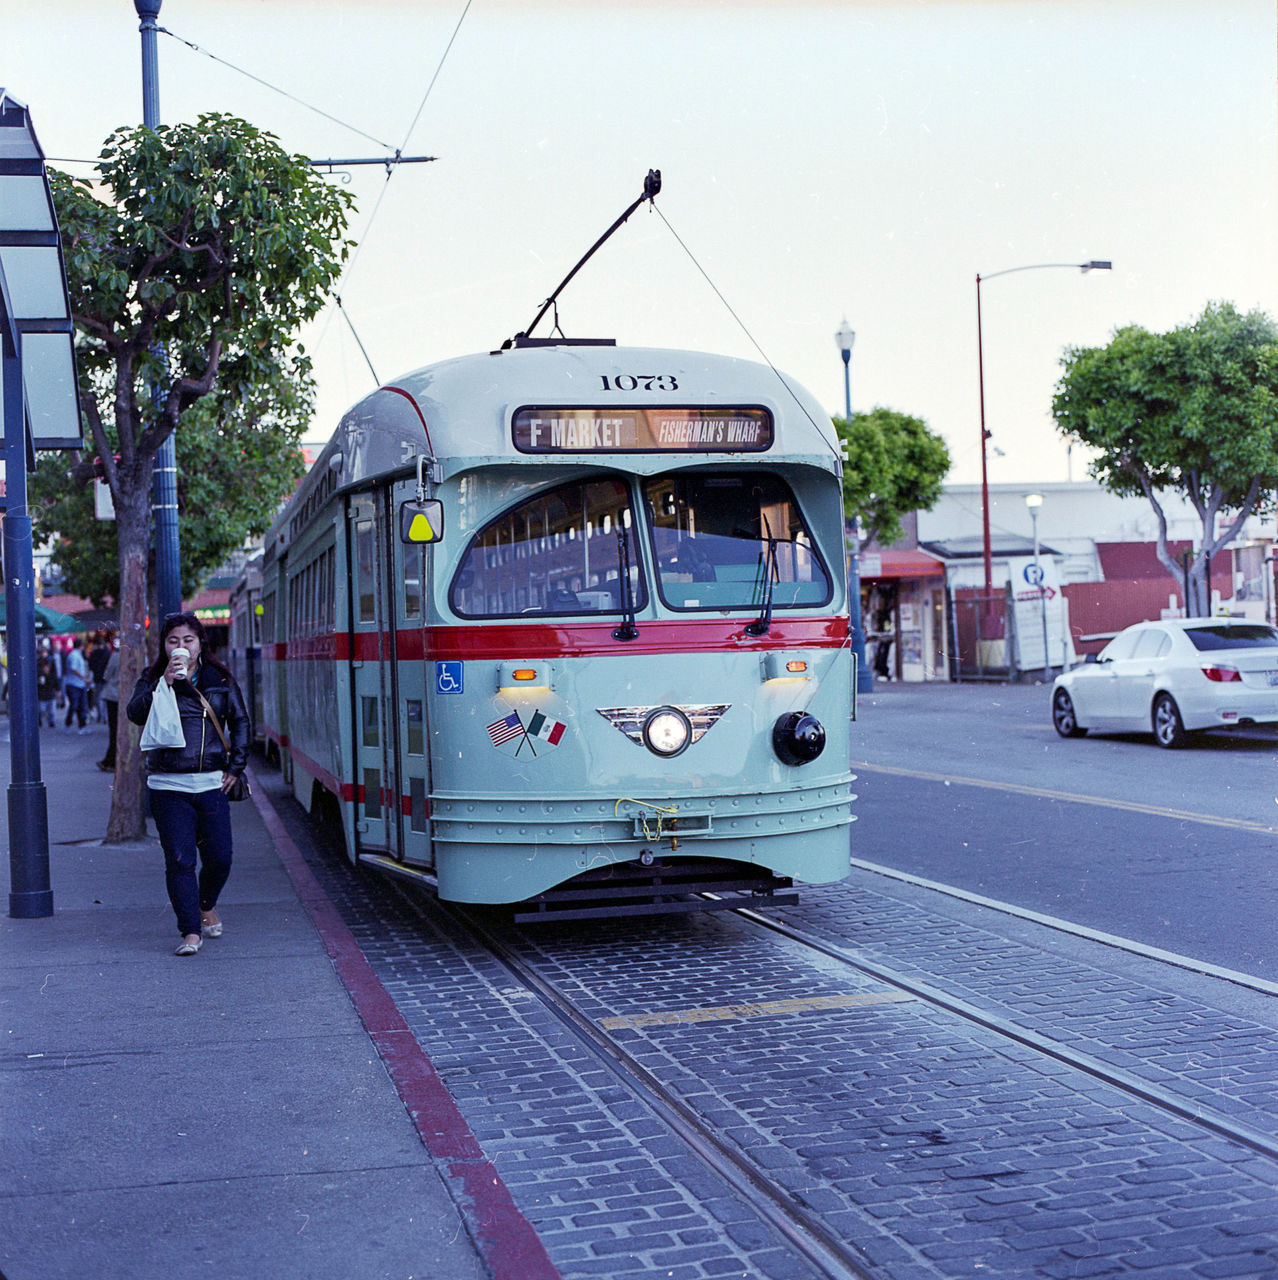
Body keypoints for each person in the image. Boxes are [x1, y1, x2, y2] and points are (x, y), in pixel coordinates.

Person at [126, 612, 250, 957]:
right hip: (168, 784)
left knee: (220, 858)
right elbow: (135, 714)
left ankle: (205, 904)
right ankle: (190, 931)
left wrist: (236, 767)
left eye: (188, 641)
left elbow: (240, 722)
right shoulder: (153, 677)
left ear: (200, 645)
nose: (180, 647)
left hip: (211, 782)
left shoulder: (219, 678)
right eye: (173, 641)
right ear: (164, 646)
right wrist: (162, 684)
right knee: (180, 859)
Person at [96, 641, 121, 771]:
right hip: (129, 696)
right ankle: (111, 760)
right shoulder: (141, 655)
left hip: (113, 695)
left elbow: (107, 674)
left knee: (114, 730)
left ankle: (110, 760)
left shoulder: (116, 656)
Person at [63, 637, 91, 731]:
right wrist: (83, 678)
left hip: (78, 684)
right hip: (75, 684)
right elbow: (73, 668)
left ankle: (80, 725)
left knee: (80, 705)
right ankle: (72, 724)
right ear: (81, 646)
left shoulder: (76, 655)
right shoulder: (75, 655)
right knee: (76, 705)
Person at [88, 635, 111, 722]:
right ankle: (105, 716)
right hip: (106, 678)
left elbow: (91, 665)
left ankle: (100, 716)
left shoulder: (93, 654)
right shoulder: (107, 653)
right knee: (105, 698)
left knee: (98, 698)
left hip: (97, 678)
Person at [36, 648, 60, 728]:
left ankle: (51, 721)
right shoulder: (38, 663)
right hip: (43, 689)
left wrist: (57, 688)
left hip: (49, 688)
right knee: (42, 709)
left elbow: (55, 675)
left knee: (51, 710)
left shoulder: (51, 662)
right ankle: (43, 720)